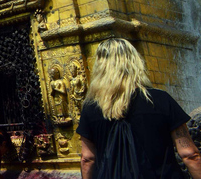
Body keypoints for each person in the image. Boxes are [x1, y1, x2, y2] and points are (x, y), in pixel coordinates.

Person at [77, 38, 201, 179]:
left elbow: (87, 159)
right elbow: (190, 154)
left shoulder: (90, 107)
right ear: (135, 62)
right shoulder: (161, 99)